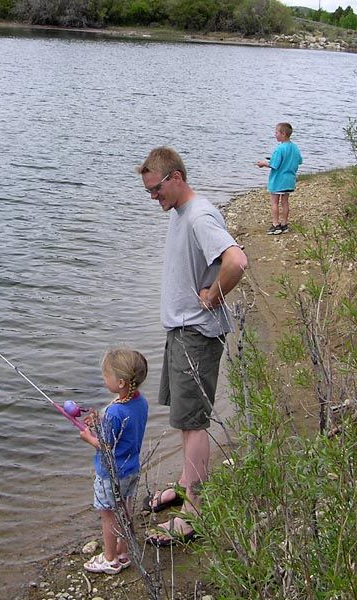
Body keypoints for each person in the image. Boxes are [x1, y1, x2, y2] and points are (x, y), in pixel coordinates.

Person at [137, 147, 247, 546]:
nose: (153, 198)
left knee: (193, 420)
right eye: (149, 191)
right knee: (184, 417)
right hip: (182, 331)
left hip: (196, 334)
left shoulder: (200, 215)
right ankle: (185, 484)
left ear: (176, 178)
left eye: (155, 190)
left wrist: (215, 295)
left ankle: (194, 512)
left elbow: (237, 260)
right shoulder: (183, 212)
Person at [80, 348, 149, 575]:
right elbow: (124, 432)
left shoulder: (115, 412)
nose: (103, 379)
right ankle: (123, 552)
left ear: (120, 382)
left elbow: (106, 446)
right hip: (131, 469)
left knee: (108, 515)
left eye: (105, 376)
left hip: (111, 474)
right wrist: (100, 421)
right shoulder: (140, 403)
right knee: (125, 510)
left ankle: (109, 559)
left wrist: (89, 437)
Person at [256, 122, 303, 235]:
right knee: (285, 202)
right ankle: (284, 224)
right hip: (289, 180)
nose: (275, 134)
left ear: (283, 134)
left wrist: (263, 163)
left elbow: (274, 165)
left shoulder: (280, 149)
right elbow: (300, 161)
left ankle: (275, 225)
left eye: (276, 132)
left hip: (278, 180)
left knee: (274, 202)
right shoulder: (294, 147)